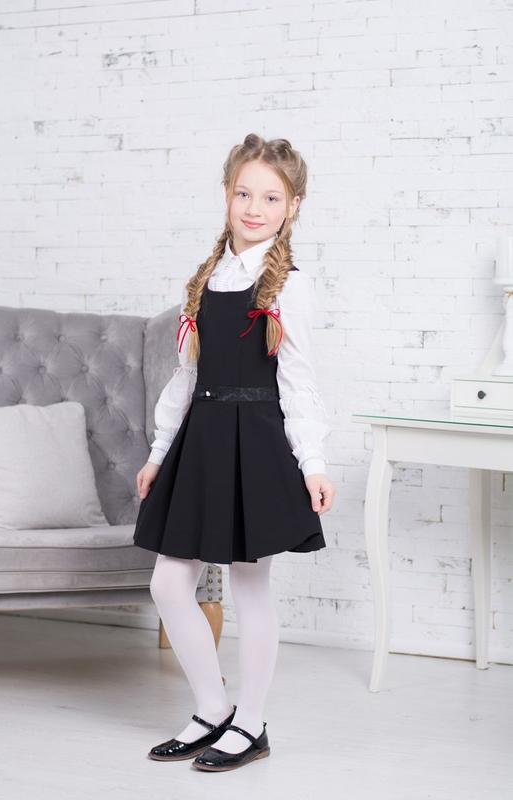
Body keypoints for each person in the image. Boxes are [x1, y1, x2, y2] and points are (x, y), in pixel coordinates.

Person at [133, 133, 336, 772]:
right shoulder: (204, 280)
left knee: (250, 587)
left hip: (258, 443)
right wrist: (159, 453)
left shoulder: (289, 286)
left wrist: (312, 462)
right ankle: (212, 708)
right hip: (201, 439)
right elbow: (185, 376)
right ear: (226, 194)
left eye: (271, 198)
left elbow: (298, 380)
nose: (254, 208)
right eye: (244, 193)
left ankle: (251, 723)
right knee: (169, 583)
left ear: (293, 205)